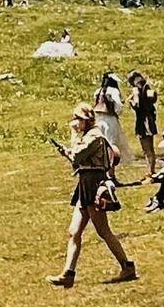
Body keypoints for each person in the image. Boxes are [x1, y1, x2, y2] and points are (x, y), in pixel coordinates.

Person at [48, 104, 137, 288]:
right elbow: (77, 159)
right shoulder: (88, 136)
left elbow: (78, 155)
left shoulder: (95, 136)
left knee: (103, 231)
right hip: (84, 183)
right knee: (74, 231)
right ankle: (68, 273)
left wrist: (72, 137)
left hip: (94, 184)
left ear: (86, 120)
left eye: (78, 119)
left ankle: (127, 266)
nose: (75, 123)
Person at [93, 71, 128, 168]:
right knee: (111, 145)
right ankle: (111, 172)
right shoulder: (114, 91)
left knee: (100, 145)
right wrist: (117, 112)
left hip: (98, 119)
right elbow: (118, 105)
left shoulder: (98, 91)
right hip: (110, 119)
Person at [129, 70, 159, 175]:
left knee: (146, 149)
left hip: (142, 122)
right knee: (151, 149)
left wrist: (131, 102)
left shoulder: (136, 90)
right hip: (150, 120)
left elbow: (137, 105)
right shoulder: (147, 87)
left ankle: (150, 172)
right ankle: (151, 170)